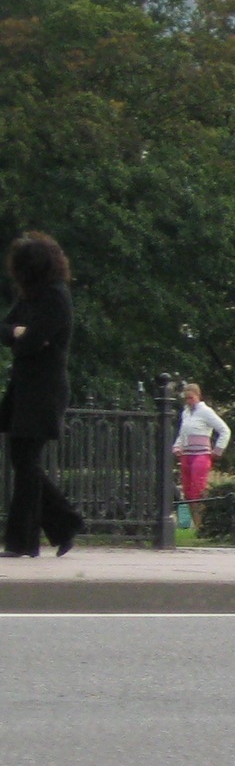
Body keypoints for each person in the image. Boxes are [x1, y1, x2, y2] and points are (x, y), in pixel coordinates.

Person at [1, 232, 84, 559]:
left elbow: (30, 343)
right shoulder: (31, 297)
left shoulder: (55, 297)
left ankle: (23, 541)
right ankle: (64, 523)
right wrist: (19, 332)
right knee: (24, 461)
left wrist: (22, 335)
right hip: (25, 387)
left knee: (26, 462)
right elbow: (7, 330)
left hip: (44, 390)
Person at [171, 383, 231, 524]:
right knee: (187, 491)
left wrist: (218, 450)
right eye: (186, 398)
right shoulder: (185, 412)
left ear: (198, 396)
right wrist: (177, 446)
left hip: (201, 454)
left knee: (198, 489)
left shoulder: (206, 412)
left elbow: (225, 430)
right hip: (186, 454)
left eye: (191, 398)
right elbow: (183, 433)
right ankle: (196, 524)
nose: (188, 401)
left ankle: (203, 523)